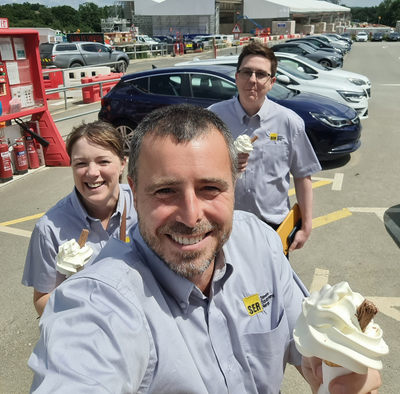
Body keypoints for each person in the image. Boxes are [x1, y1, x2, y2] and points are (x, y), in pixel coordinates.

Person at [27, 105, 381, 394]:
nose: (192, 215)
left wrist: (334, 368)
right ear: (133, 189)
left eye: (211, 187)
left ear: (234, 184)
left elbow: (303, 340)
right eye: (165, 191)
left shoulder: (259, 243)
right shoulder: (99, 300)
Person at [209, 40, 322, 252]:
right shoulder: (213, 117)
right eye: (246, 72)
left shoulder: (289, 123)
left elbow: (303, 175)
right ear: (236, 77)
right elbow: (198, 170)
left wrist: (306, 226)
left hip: (273, 228)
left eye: (261, 74)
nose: (252, 80)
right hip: (224, 225)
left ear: (272, 82)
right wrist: (227, 163)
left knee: (272, 285)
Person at [22, 120, 138, 317]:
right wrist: (88, 310)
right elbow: (42, 299)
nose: (92, 173)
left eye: (103, 161)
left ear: (122, 164)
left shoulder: (142, 205)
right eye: (81, 163)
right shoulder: (49, 229)